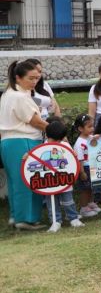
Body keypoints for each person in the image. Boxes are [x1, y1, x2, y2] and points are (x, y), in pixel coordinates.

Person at [0, 61, 48, 230]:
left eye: (37, 78)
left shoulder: (8, 94)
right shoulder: (19, 96)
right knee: (28, 180)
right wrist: (55, 130)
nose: (34, 82)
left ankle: (16, 216)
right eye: (31, 78)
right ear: (18, 78)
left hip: (8, 142)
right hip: (23, 140)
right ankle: (26, 218)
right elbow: (35, 121)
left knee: (15, 181)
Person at [42, 120, 83, 232]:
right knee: (52, 202)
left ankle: (73, 218)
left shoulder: (65, 145)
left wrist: (73, 155)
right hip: (49, 182)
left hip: (65, 180)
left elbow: (72, 159)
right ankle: (55, 221)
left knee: (68, 200)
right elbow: (38, 158)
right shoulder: (43, 147)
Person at [71, 114, 100, 218]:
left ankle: (90, 203)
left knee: (91, 187)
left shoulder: (89, 137)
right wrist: (82, 172)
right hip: (85, 168)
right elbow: (79, 159)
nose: (92, 128)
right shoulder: (79, 143)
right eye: (89, 127)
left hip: (92, 166)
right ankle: (83, 208)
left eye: (93, 126)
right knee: (85, 189)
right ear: (80, 128)